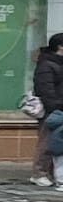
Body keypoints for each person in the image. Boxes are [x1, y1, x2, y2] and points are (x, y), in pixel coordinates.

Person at [33, 33, 63, 188]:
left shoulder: (58, 63)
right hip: (51, 109)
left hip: (59, 108)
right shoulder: (47, 64)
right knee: (46, 141)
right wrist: (55, 107)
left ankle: (51, 173)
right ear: (60, 47)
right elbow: (45, 90)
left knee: (57, 142)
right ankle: (40, 173)